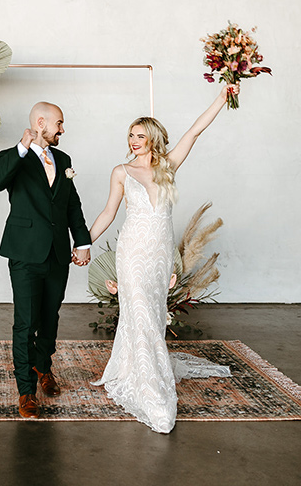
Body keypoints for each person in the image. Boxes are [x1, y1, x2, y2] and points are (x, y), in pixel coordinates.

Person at [89, 85, 237, 433]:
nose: (133, 140)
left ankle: (140, 368)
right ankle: (152, 391)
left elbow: (196, 130)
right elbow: (108, 213)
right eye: (130, 134)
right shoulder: (122, 172)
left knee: (152, 316)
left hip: (158, 255)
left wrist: (223, 95)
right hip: (132, 252)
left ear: (154, 138)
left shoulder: (168, 167)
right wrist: (81, 244)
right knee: (138, 310)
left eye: (140, 135)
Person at [0, 102, 91, 418]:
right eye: (59, 123)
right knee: (26, 322)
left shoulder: (64, 159)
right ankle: (26, 391)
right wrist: (22, 147)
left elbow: (71, 205)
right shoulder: (12, 157)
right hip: (25, 253)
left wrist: (83, 242)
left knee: (50, 316)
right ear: (41, 123)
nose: (62, 129)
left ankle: (43, 366)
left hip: (58, 254)